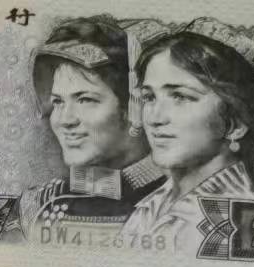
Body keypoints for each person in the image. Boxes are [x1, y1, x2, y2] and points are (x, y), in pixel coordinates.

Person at [120, 18, 254, 245]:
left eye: (180, 97)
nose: (155, 118)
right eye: (149, 97)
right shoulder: (151, 206)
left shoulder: (243, 223)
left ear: (235, 123)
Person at [20, 17, 166, 238]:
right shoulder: (38, 206)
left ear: (134, 106)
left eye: (85, 100)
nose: (65, 120)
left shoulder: (183, 202)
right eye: (58, 102)